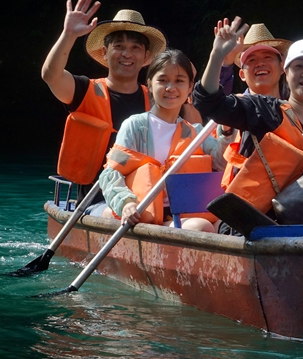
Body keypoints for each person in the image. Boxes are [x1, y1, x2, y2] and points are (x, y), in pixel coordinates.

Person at [193, 18, 303, 223]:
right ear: (286, 72)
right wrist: (217, 55)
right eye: (299, 66)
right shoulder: (263, 109)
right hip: (250, 226)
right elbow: (208, 103)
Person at [41, 0, 166, 198]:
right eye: (119, 46)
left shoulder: (156, 99)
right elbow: (51, 76)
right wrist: (68, 34)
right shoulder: (85, 90)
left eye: (135, 48)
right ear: (105, 52)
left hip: (145, 199)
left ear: (146, 56)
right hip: (95, 202)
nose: (127, 54)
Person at [94, 49, 226, 232]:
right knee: (201, 226)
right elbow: (111, 173)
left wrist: (226, 131)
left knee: (226, 226)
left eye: (179, 81)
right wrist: (126, 203)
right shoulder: (135, 126)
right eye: (162, 80)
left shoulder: (195, 132)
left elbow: (222, 164)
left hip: (181, 215)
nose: (170, 88)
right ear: (149, 84)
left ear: (189, 87)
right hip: (142, 213)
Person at [216, 23, 293, 189]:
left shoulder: (295, 108)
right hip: (247, 197)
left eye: (267, 57)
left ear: (282, 68)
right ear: (242, 74)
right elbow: (219, 163)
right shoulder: (232, 108)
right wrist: (225, 62)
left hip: (293, 195)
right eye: (251, 59)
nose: (260, 63)